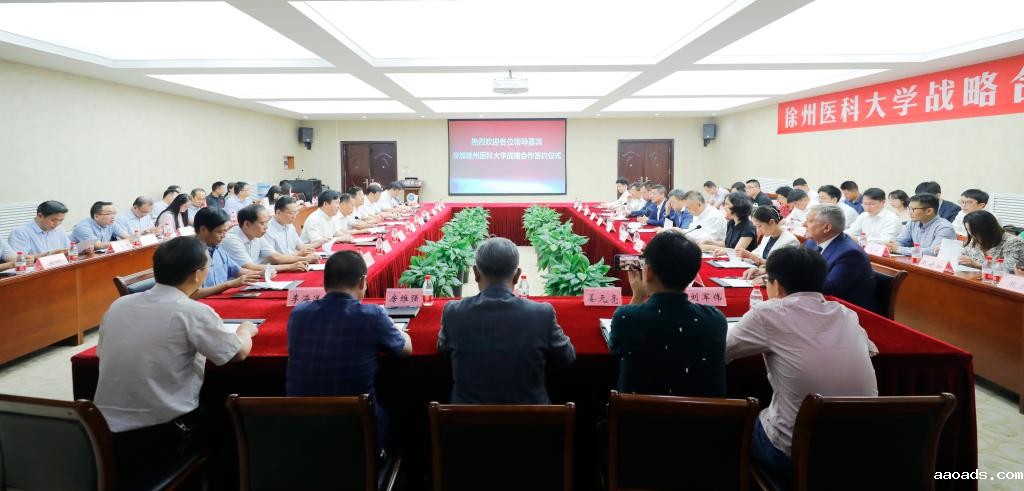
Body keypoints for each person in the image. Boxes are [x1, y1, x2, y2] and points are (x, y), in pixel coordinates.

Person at [93, 236, 258, 472]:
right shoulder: (192, 311)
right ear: (198, 274)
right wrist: (246, 331)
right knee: (230, 421)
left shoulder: (119, 305)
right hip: (162, 432)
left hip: (102, 431)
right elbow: (237, 354)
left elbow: (102, 353)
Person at [726, 246, 878, 484]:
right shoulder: (846, 314)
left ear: (777, 285)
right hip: (859, 451)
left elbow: (721, 351)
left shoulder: (767, 313)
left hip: (795, 453)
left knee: (734, 425)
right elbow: (870, 350)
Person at [287, 250, 412, 448]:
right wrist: (400, 331)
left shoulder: (299, 313)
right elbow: (405, 349)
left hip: (301, 432)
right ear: (363, 282)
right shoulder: (372, 315)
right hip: (357, 434)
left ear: (324, 283)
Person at [438, 237, 575, 403]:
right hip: (532, 418)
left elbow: (443, 351)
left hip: (466, 419)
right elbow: (566, 358)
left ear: (475, 273)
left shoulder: (454, 312)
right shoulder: (541, 314)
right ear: (517, 276)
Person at [610, 231, 726, 396]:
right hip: (701, 413)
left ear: (648, 272)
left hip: (637, 412)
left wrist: (638, 296)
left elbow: (615, 347)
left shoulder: (626, 317)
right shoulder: (716, 319)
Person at [803, 205, 877, 311]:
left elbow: (828, 289)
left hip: (847, 311)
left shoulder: (851, 254)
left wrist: (790, 276)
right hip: (817, 302)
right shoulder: (811, 242)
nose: (804, 224)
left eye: (809, 221)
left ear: (827, 227)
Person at [191, 207, 260, 299]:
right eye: (219, 232)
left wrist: (261, 274)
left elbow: (237, 271)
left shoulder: (218, 249)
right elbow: (192, 294)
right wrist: (228, 284)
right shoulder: (189, 254)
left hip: (220, 300)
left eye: (225, 231)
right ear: (203, 229)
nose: (224, 236)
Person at [220, 204, 311, 273]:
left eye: (267, 222)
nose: (266, 227)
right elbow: (250, 267)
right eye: (262, 223)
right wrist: (290, 267)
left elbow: (276, 257)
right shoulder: (232, 240)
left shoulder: (256, 234)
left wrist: (305, 259)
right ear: (247, 224)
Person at [727, 205, 799, 272]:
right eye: (756, 226)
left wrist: (752, 257)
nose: (758, 230)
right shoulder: (767, 236)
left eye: (759, 226)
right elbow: (757, 253)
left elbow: (780, 267)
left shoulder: (790, 241)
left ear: (771, 222)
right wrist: (744, 256)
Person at [887, 194, 956, 256]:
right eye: (909, 208)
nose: (910, 212)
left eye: (913, 209)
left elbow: (933, 252)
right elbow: (901, 240)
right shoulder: (912, 222)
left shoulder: (944, 227)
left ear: (929, 211)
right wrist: (893, 245)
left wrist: (899, 249)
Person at [958, 210, 1024, 272]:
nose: (971, 234)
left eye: (973, 231)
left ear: (987, 229)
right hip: (975, 277)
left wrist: (977, 265)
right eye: (968, 230)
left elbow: (1010, 269)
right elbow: (962, 257)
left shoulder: (1014, 242)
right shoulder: (974, 240)